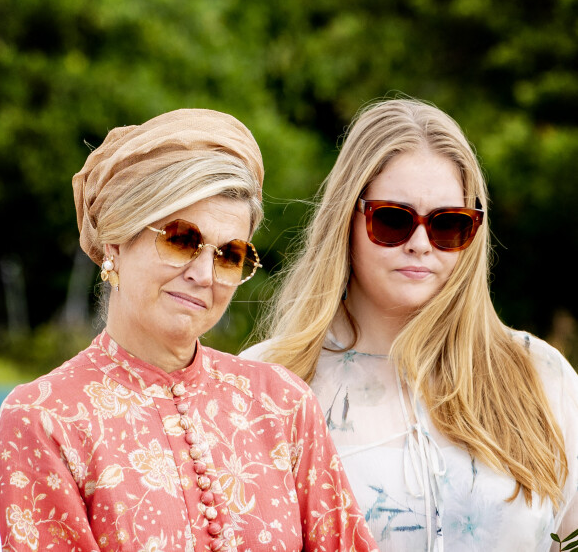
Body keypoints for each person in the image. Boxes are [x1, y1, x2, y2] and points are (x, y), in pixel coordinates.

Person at [0, 109, 378, 552]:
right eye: (181, 239)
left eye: (229, 255)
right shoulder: (45, 419)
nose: (204, 273)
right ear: (117, 240)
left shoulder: (282, 404)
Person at [242, 98, 578, 551]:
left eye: (449, 225)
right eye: (394, 220)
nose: (421, 244)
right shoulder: (264, 385)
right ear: (347, 218)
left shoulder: (542, 376)